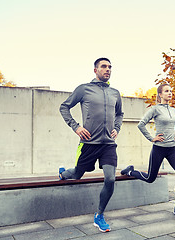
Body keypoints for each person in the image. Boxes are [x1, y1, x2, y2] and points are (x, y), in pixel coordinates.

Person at [59, 57, 124, 232]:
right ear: (95, 70)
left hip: (108, 144)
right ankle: (63, 173)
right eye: (104, 66)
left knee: (110, 179)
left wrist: (117, 128)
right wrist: (76, 127)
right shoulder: (84, 89)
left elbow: (119, 114)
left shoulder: (115, 93)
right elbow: (64, 107)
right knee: (77, 174)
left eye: (110, 67)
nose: (108, 69)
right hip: (88, 143)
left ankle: (99, 215)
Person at [121, 83, 175, 218]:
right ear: (160, 94)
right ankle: (129, 171)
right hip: (159, 149)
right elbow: (141, 124)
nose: (169, 93)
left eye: (170, 91)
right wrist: (152, 138)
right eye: (166, 91)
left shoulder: (173, 110)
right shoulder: (155, 109)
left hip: (172, 149)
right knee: (150, 178)